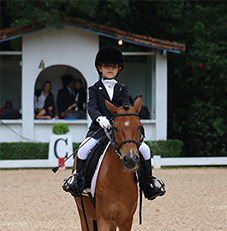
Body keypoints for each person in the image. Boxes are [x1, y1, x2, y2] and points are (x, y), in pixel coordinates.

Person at [62, 45, 166, 200]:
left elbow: (126, 106)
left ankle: (148, 183)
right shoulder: (94, 89)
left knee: (145, 150)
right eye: (106, 66)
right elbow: (91, 107)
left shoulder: (123, 89)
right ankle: (79, 180)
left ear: (119, 69)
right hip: (99, 129)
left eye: (114, 66)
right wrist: (100, 119)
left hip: (120, 132)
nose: (110, 69)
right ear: (99, 68)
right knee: (84, 149)